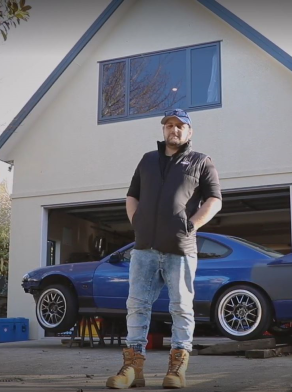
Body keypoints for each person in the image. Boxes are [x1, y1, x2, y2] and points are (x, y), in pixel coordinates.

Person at [106, 109, 222, 389]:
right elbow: (132, 195)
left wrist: (191, 225)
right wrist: (138, 224)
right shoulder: (147, 160)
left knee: (181, 308)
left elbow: (214, 200)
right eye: (169, 125)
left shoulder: (201, 162)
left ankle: (177, 370)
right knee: (136, 306)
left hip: (180, 249)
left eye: (181, 126)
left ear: (189, 132)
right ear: (163, 130)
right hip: (144, 248)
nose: (175, 130)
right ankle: (133, 369)